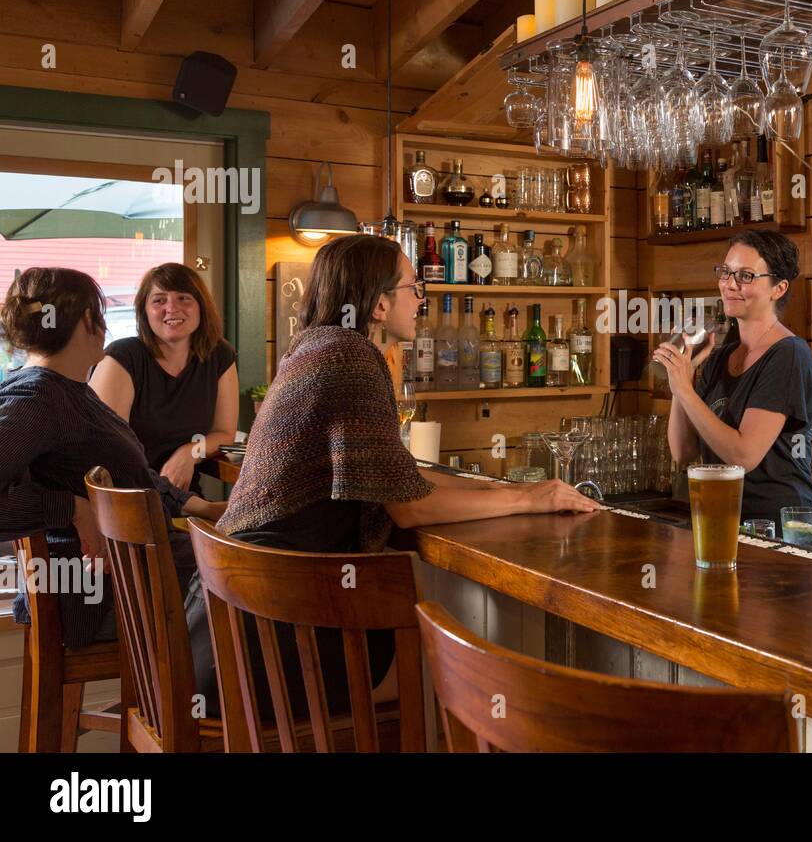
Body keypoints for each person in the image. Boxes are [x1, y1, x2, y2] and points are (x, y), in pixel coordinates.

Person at [186, 233, 600, 716]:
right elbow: (410, 508)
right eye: (412, 287)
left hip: (228, 629)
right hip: (275, 643)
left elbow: (400, 476)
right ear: (379, 304)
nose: (421, 299)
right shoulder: (352, 358)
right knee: (456, 678)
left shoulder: (314, 347)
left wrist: (503, 487)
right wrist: (529, 502)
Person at [0, 268, 225, 648]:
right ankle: (184, 707)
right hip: (108, 599)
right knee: (264, 596)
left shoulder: (72, 390)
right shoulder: (39, 399)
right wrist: (68, 507)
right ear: (89, 320)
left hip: (140, 580)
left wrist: (199, 506)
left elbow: (131, 475)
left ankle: (185, 707)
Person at [656, 229, 812, 546]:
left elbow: (744, 455)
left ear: (779, 288)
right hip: (724, 524)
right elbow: (683, 452)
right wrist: (685, 377)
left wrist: (685, 389)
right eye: (726, 272)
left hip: (779, 533)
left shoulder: (788, 354)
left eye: (746, 276)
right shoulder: (721, 357)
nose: (730, 285)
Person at [90, 263, 239, 491]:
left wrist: (190, 452)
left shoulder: (218, 355)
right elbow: (109, 452)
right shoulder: (122, 357)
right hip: (126, 497)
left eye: (183, 298)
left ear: (201, 307)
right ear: (145, 311)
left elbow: (223, 434)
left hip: (182, 498)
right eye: (159, 300)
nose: (171, 308)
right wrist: (189, 503)